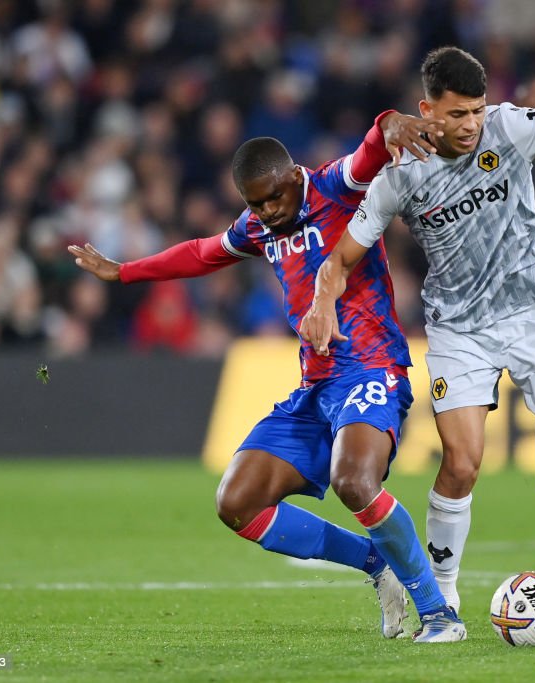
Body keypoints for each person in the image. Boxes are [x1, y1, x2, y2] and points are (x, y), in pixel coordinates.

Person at [69, 110, 468, 643]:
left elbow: (372, 148)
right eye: (254, 203)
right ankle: (378, 563)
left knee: (355, 481)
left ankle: (440, 615)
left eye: (273, 197)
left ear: (292, 175)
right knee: (237, 502)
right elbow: (202, 253)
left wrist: (389, 122)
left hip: (372, 367)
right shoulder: (258, 225)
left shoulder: (334, 187)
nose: (266, 211)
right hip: (314, 387)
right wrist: (124, 271)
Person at [301, 46, 535, 621]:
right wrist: (323, 302)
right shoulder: (398, 175)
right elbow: (340, 257)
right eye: (455, 115)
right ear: (427, 110)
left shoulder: (511, 126)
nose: (471, 125)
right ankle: (442, 590)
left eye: (475, 111)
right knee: (463, 461)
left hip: (534, 315)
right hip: (458, 329)